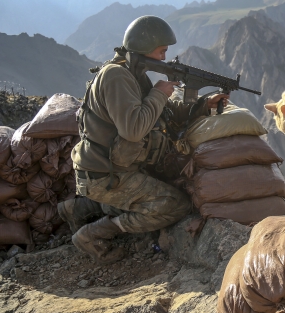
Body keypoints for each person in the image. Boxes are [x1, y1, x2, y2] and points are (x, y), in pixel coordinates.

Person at [58, 15, 228, 264]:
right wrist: (159, 93)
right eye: (161, 51)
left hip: (115, 169)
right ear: (144, 48)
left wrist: (204, 104)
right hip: (106, 174)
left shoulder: (134, 75)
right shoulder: (116, 76)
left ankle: (78, 209)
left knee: (150, 195)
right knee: (176, 206)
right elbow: (134, 130)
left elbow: (164, 114)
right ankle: (93, 234)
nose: (163, 58)